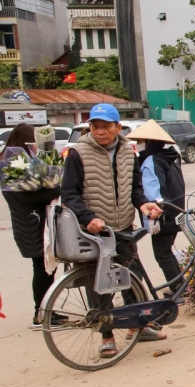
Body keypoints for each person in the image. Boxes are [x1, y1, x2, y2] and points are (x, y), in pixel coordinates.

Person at [61, 103, 165, 356]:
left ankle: (137, 326)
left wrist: (143, 204)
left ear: (118, 127)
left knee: (131, 278)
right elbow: (69, 194)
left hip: (122, 226)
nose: (100, 131)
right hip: (93, 231)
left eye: (106, 126)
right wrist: (88, 218)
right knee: (100, 285)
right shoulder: (77, 153)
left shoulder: (128, 153)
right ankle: (106, 336)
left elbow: (134, 190)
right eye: (95, 126)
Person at [1, 124, 58, 328]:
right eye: (33, 141)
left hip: (31, 223)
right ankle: (41, 314)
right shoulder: (14, 163)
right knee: (43, 269)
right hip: (31, 224)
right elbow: (26, 197)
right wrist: (56, 190)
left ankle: (45, 312)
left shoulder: (16, 161)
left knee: (45, 269)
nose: (36, 145)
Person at [129, 120, 186, 288]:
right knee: (166, 252)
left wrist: (153, 215)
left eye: (140, 142)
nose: (138, 145)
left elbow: (153, 190)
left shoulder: (151, 161)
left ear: (148, 143)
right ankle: (180, 286)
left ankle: (178, 289)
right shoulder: (168, 158)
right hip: (174, 212)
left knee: (162, 255)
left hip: (160, 214)